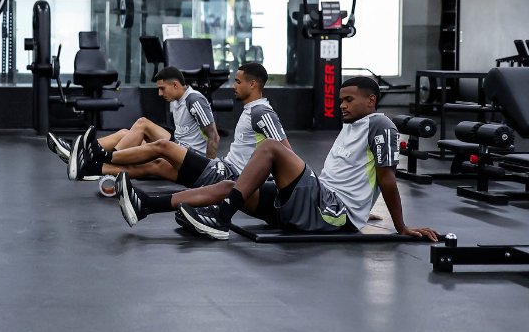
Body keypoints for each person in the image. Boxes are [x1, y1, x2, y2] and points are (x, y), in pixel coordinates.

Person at [114, 76, 439, 242]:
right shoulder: (351, 126)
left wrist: (401, 226)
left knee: (270, 147)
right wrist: (364, 211)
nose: (342, 105)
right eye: (341, 100)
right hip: (322, 202)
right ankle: (147, 205)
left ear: (371, 101)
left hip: (330, 210)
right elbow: (351, 178)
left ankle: (221, 219)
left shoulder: (380, 124)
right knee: (232, 184)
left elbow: (387, 179)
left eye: (349, 100)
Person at [67, 63, 288, 186]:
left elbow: (214, 136)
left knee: (150, 139)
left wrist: (208, 166)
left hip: (204, 162)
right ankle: (88, 161)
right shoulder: (249, 110)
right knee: (138, 143)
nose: (233, 86)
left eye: (238, 82)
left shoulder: (196, 100)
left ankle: (98, 156)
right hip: (208, 161)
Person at [58, 66, 218, 180]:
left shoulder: (194, 100)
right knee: (127, 132)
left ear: (175, 85)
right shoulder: (178, 99)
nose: (159, 93)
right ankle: (78, 150)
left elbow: (214, 137)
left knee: (148, 158)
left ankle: (97, 162)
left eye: (162, 88)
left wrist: (207, 172)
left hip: (190, 158)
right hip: (179, 146)